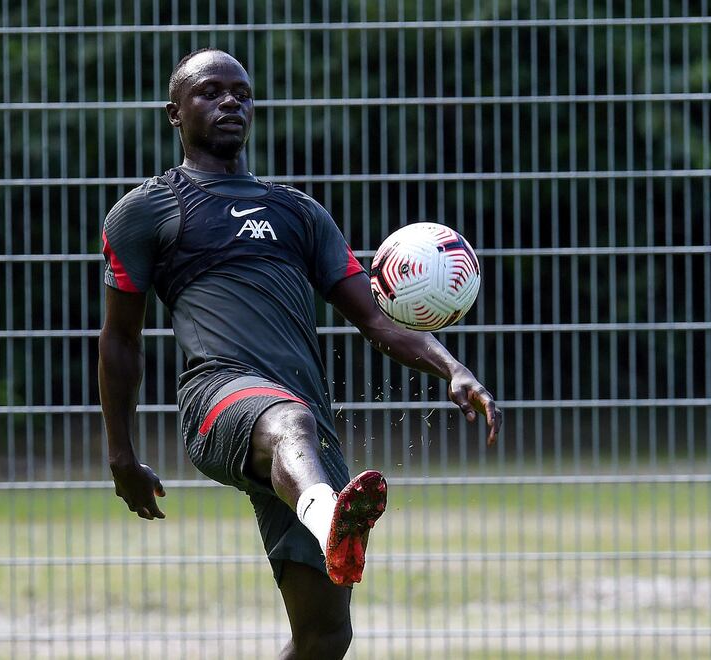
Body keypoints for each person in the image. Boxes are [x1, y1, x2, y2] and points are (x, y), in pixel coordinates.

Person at [98, 47, 502, 660]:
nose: (231, 101)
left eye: (242, 92)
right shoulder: (148, 210)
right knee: (289, 419)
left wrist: (452, 367)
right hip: (218, 398)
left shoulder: (299, 213)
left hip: (305, 437)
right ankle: (330, 516)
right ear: (175, 113)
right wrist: (122, 456)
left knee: (323, 639)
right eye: (211, 91)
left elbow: (376, 318)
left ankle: (328, 516)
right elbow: (120, 340)